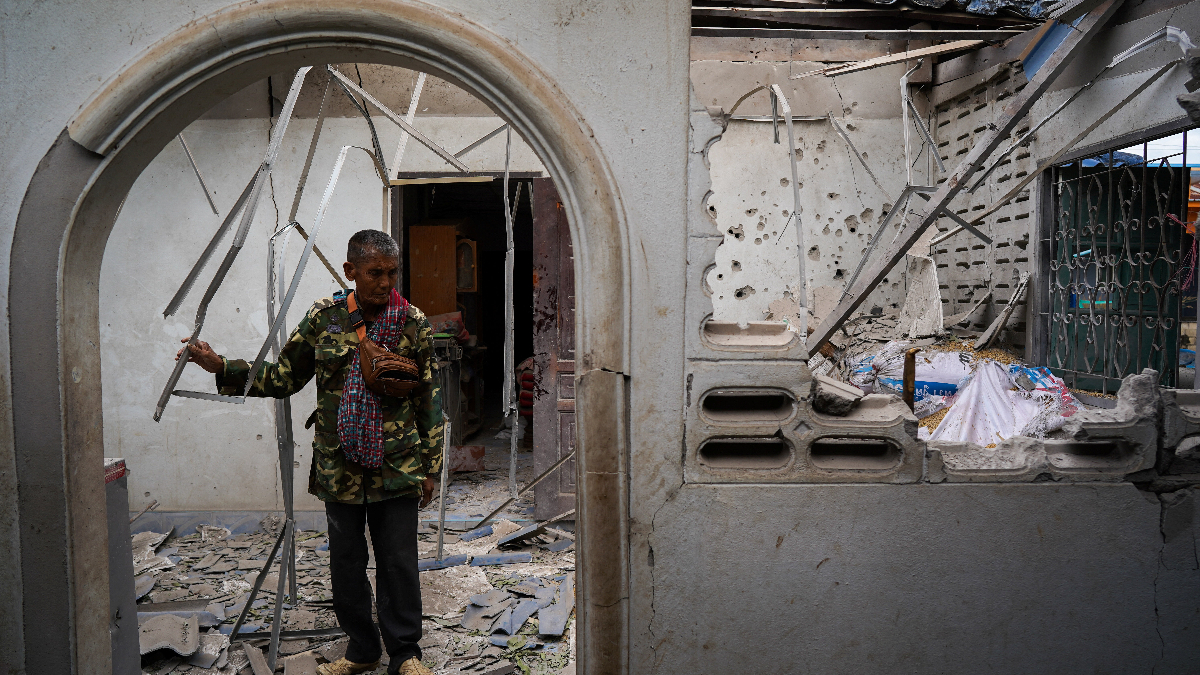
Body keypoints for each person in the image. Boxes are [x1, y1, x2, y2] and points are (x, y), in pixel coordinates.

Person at [180, 229, 442, 675]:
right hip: (340, 467)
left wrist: (431, 468)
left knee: (398, 562)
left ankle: (405, 654)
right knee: (346, 564)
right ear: (350, 271)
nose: (385, 282)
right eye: (374, 273)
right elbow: (283, 376)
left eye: (392, 273)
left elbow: (429, 399)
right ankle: (362, 651)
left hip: (397, 465)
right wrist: (221, 366)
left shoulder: (412, 322)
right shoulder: (325, 318)